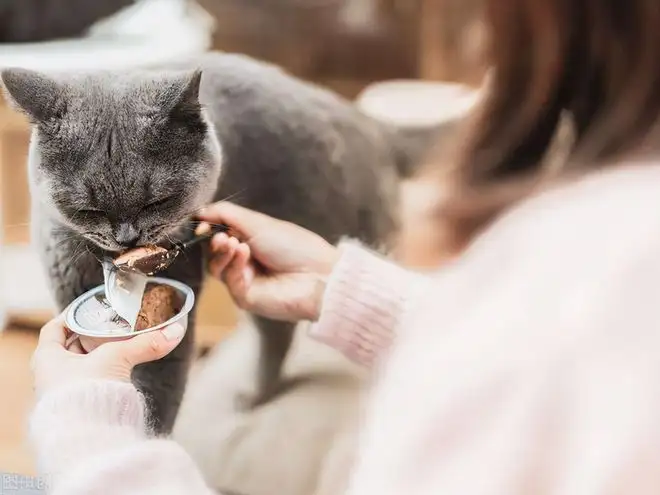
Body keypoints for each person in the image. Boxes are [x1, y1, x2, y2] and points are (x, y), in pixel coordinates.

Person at [28, 0, 660, 493]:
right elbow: (518, 345)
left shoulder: (598, 278)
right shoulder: (609, 265)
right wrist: (348, 290)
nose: (125, 238)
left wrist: (84, 426)